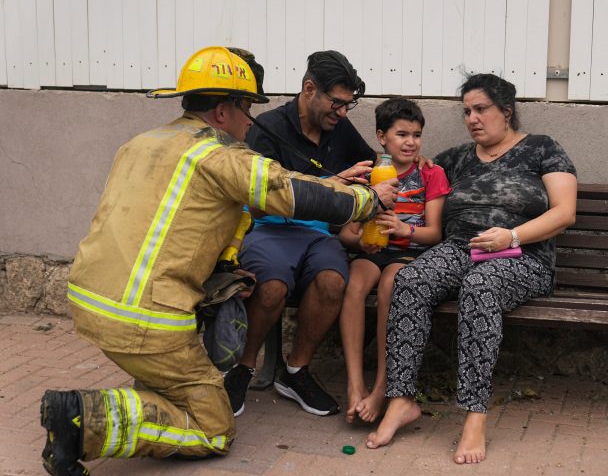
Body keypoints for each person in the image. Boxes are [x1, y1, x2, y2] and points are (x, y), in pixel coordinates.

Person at [38, 46, 396, 476]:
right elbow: (292, 191)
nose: (252, 120)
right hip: (145, 320)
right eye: (247, 107)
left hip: (90, 300)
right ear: (225, 110)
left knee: (169, 386)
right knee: (214, 427)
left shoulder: (143, 142)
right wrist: (366, 199)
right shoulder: (221, 156)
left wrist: (226, 263)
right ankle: (82, 418)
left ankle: (115, 406)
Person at [366, 74, 578, 464]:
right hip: (460, 247)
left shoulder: (542, 149)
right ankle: (401, 400)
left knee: (480, 286)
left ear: (506, 112)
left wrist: (511, 236)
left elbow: (565, 213)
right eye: (466, 111)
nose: (472, 118)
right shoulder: (457, 158)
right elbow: (413, 169)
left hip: (522, 256)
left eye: (481, 109)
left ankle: (475, 415)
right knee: (411, 279)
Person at [224, 50, 399, 418]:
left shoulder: (340, 128)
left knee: (333, 281)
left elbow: (374, 163)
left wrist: (412, 163)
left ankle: (296, 370)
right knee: (271, 287)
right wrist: (333, 183)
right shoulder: (268, 127)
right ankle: (243, 367)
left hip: (319, 235)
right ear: (309, 89)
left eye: (349, 105)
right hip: (269, 230)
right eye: (337, 104)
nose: (343, 113)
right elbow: (257, 204)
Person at [337, 98, 451, 424]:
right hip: (373, 250)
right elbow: (347, 233)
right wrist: (361, 241)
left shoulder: (430, 174)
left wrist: (405, 229)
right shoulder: (369, 173)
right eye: (402, 134)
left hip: (410, 253)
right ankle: (354, 383)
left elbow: (435, 233)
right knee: (354, 285)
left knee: (392, 286)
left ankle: (382, 386)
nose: (411, 142)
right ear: (382, 136)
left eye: (417, 135)